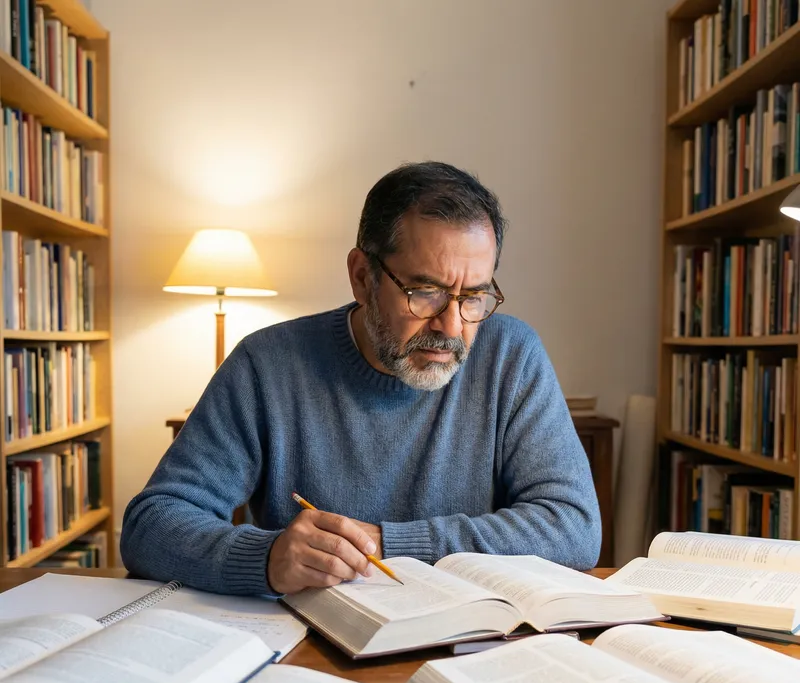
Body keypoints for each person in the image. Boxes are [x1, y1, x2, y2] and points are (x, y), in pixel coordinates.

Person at [121, 161, 601, 596]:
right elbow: (151, 526)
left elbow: (574, 527)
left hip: (470, 644)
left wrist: (388, 542)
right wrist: (265, 559)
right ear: (361, 277)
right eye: (425, 292)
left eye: (474, 296)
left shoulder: (511, 355)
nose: (452, 327)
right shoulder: (267, 364)